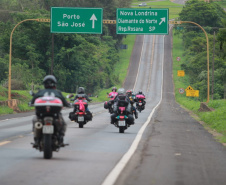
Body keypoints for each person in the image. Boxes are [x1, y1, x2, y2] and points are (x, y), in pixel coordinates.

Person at [30, 75, 70, 147]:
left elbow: (32, 100)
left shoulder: (40, 92)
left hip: (42, 115)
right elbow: (65, 102)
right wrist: (68, 105)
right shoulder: (57, 92)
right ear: (55, 84)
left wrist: (30, 103)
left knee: (35, 120)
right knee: (63, 124)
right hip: (54, 115)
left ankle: (36, 139)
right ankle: (60, 139)